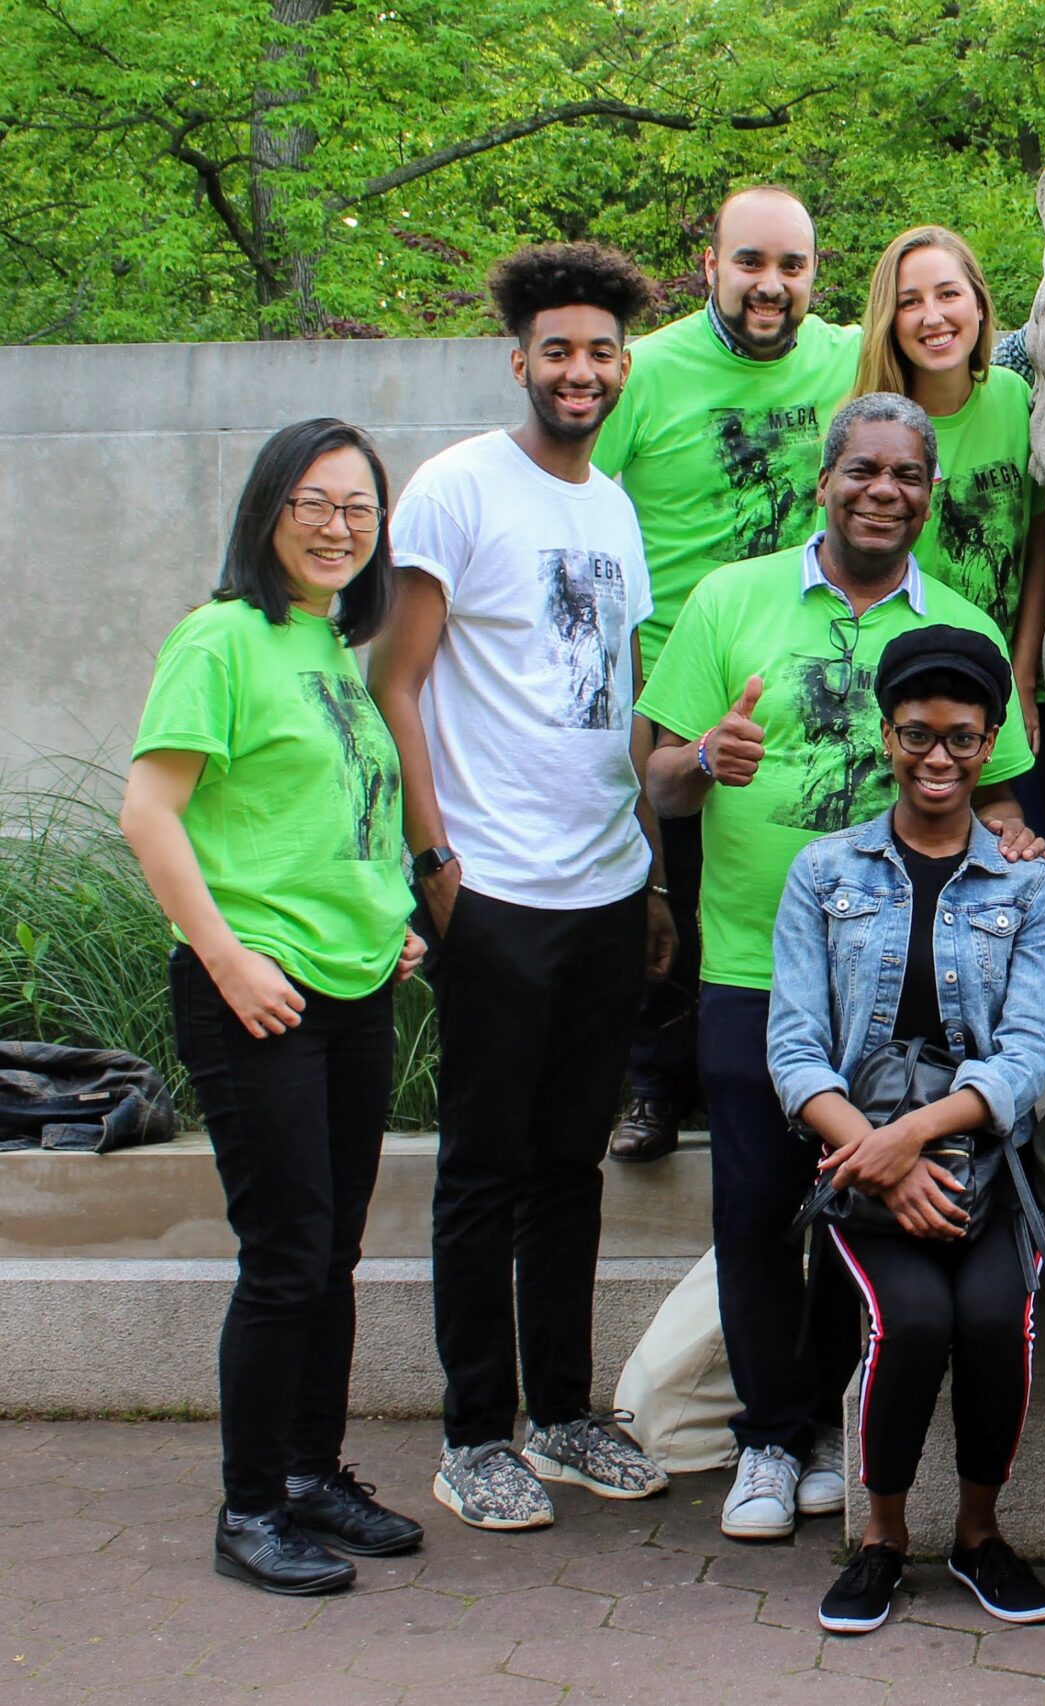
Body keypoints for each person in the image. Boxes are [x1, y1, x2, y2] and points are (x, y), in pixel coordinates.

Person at [635, 393, 1041, 1544]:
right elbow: (657, 778)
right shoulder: (731, 597)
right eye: (863, 469)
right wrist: (706, 757)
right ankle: (769, 1434)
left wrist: (1013, 830)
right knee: (760, 1203)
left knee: (855, 1199)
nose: (884, 490)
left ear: (929, 491)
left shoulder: (960, 621)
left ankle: (821, 1424)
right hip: (759, 961)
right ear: (825, 478)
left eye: (908, 474)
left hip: (901, 986)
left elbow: (997, 782)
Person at [370, 243, 678, 1532]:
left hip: (606, 887)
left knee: (571, 1167)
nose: (582, 370)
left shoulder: (612, 508)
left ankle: (558, 1413)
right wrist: (435, 867)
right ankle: (471, 1432)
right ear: (519, 360)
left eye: (602, 351)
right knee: (484, 1171)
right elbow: (395, 680)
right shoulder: (455, 490)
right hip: (491, 890)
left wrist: (651, 870)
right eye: (559, 349)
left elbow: (614, 708)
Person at [121, 419, 428, 1594]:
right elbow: (152, 814)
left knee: (332, 1251)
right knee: (287, 1255)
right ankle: (249, 1504)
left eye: (358, 508)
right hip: (255, 990)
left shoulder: (324, 649)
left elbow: (319, 818)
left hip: (346, 985)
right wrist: (229, 956)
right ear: (267, 510)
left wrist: (384, 914)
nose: (339, 525)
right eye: (315, 502)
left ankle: (310, 1472)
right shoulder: (221, 638)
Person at [767, 627, 1045, 1636]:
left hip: (983, 1155)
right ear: (886, 732)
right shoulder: (823, 870)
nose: (938, 760)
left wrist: (923, 1138)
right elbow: (796, 1047)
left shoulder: (1027, 882)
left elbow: (1026, 1052)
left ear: (991, 745)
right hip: (858, 1156)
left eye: (963, 740)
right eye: (917, 735)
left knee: (991, 1318)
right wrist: (878, 1152)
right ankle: (883, 1537)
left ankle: (978, 1532)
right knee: (915, 1322)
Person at [593, 184, 868, 1164]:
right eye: (750, 262)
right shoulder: (650, 372)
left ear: (814, 276)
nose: (770, 285)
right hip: (681, 675)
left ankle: (802, 1082)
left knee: (785, 893)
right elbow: (580, 487)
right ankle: (656, 1089)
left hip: (809, 669)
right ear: (709, 265)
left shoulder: (845, 355)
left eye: (791, 267)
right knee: (670, 888)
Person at [851, 226, 1045, 835]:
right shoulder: (872, 424)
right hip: (906, 698)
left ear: (979, 304)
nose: (932, 316)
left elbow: (1039, 539)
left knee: (1016, 852)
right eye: (910, 302)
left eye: (948, 294)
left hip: (1005, 694)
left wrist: (1020, 675)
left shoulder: (1015, 398)